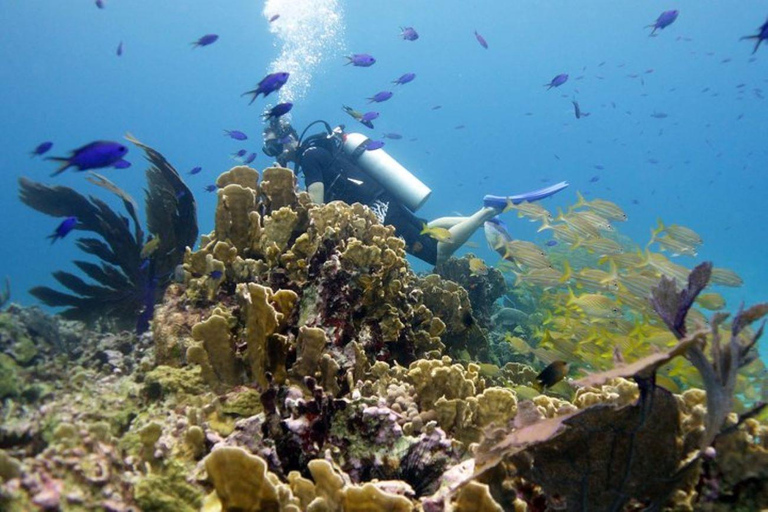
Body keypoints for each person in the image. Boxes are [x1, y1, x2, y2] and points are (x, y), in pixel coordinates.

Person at [262, 118, 568, 266]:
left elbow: (315, 198)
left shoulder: (308, 156)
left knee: (437, 253)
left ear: (288, 140)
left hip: (375, 208)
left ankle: (486, 212)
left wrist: (306, 225)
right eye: (269, 148)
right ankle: (483, 218)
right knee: (426, 229)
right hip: (379, 198)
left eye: (275, 145)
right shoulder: (320, 148)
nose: (275, 152)